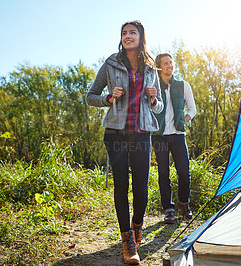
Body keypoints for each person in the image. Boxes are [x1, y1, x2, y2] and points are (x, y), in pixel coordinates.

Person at [86, 21, 163, 265]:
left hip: (142, 132)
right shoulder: (111, 63)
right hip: (116, 133)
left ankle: (137, 226)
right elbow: (90, 96)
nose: (127, 36)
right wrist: (109, 97)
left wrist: (153, 99)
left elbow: (159, 106)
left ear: (141, 37)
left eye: (132, 32)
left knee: (141, 187)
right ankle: (127, 240)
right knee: (122, 185)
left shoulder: (151, 67)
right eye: (124, 33)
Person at [152, 53, 196, 224]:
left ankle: (183, 203)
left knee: (184, 172)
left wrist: (184, 120)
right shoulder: (153, 86)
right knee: (163, 173)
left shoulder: (183, 85)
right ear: (159, 67)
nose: (169, 65)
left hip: (178, 135)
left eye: (171, 63)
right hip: (159, 136)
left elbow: (192, 109)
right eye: (165, 63)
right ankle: (168, 209)